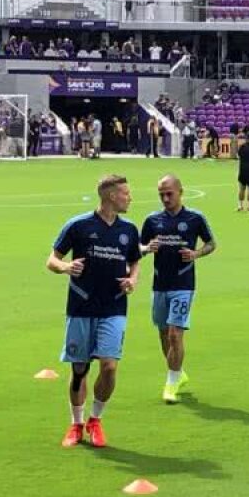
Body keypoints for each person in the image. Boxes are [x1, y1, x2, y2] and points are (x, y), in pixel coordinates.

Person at [45, 174, 142, 448]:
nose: (129, 197)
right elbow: (52, 259)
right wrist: (66, 267)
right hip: (81, 306)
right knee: (79, 369)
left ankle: (95, 420)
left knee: (109, 366)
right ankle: (76, 424)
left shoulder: (129, 230)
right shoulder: (78, 226)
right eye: (125, 193)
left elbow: (135, 261)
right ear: (111, 196)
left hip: (114, 306)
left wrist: (133, 279)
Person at [139, 175, 216, 404]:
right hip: (160, 284)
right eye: (161, 194)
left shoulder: (194, 218)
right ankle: (178, 372)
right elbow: (137, 247)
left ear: (181, 191)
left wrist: (196, 254)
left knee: (175, 333)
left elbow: (211, 243)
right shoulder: (152, 220)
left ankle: (171, 383)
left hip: (184, 284)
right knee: (164, 333)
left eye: (169, 193)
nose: (165, 198)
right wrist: (146, 248)